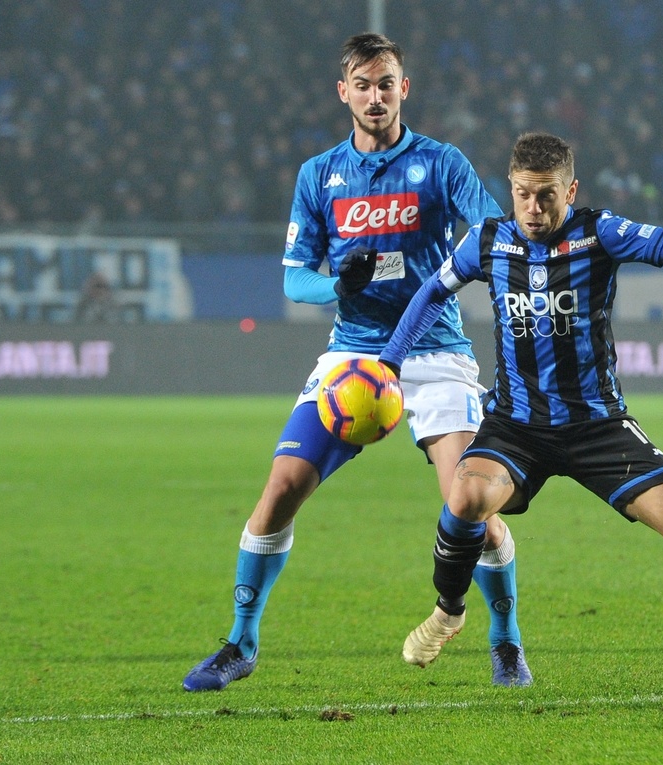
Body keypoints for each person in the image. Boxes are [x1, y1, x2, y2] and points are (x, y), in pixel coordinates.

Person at [378, 132, 663, 697]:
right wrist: (390, 362)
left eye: (546, 196)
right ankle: (449, 611)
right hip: (516, 427)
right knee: (464, 499)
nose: (534, 209)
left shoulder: (600, 233)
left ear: (571, 189)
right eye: (522, 195)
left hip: (597, 426)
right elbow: (429, 293)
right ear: (509, 191)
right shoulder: (486, 241)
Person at [182, 33, 531, 692]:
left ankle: (505, 638)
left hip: (434, 352)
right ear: (344, 92)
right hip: (352, 357)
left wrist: (496, 249)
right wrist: (340, 284)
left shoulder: (441, 162)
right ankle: (241, 640)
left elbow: (490, 233)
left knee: (472, 509)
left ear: (405, 88)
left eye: (387, 82)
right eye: (363, 85)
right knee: (281, 488)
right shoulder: (319, 175)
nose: (376, 96)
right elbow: (293, 280)